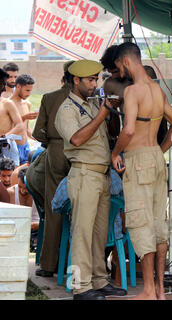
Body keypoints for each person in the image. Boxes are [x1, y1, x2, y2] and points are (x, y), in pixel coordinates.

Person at [111, 42, 172, 300]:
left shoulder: (132, 91)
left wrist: (116, 152)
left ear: (127, 62)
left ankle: (149, 290)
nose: (120, 72)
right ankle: (161, 290)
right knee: (158, 225)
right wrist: (159, 151)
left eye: (119, 67)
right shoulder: (157, 90)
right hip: (155, 157)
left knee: (141, 225)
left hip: (138, 158)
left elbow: (128, 130)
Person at [55, 59, 126, 300]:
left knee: (98, 233)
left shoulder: (92, 105)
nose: (94, 84)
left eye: (96, 79)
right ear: (76, 80)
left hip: (101, 175)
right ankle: (80, 287)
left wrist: (110, 111)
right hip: (84, 174)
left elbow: (106, 134)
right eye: (90, 80)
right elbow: (76, 139)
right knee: (82, 234)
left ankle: (98, 280)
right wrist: (103, 113)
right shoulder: (67, 109)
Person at [32, 61, 74, 278]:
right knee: (82, 210)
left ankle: (49, 264)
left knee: (53, 208)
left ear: (64, 77)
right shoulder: (88, 99)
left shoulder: (49, 98)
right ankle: (78, 263)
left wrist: (52, 142)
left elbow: (38, 133)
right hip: (81, 151)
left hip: (56, 151)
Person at [7, 167, 39, 249]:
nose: (22, 191)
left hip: (36, 231)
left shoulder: (39, 193)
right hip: (16, 231)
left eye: (26, 188)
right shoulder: (10, 193)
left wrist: (36, 225)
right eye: (20, 187)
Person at [9, 74, 37, 165]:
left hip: (26, 147)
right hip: (12, 147)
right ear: (18, 86)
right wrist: (24, 117)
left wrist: (37, 138)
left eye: (30, 91)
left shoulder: (27, 104)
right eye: (27, 90)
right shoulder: (7, 104)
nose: (29, 94)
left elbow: (26, 128)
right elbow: (6, 129)